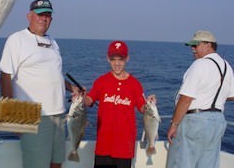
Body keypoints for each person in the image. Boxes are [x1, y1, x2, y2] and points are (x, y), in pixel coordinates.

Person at [0, 0, 79, 168]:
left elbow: (54, 74)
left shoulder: (53, 43)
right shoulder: (17, 40)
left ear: (51, 19)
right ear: (29, 16)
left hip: (59, 115)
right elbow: (5, 76)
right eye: (40, 14)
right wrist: (11, 115)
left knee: (56, 163)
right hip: (34, 117)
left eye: (47, 15)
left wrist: (72, 88)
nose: (44, 18)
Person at [166, 30, 234, 168]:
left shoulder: (200, 64)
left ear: (208, 45)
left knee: (181, 162)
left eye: (195, 45)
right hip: (217, 122)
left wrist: (174, 124)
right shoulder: (227, 66)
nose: (192, 49)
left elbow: (186, 99)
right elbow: (231, 95)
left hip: (194, 122)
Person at [84, 40, 156, 168]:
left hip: (124, 148)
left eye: (121, 59)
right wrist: (81, 98)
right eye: (113, 59)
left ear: (127, 59)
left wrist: (150, 104)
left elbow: (142, 108)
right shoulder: (101, 81)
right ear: (108, 59)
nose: (117, 63)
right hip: (103, 146)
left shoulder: (135, 84)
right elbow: (89, 100)